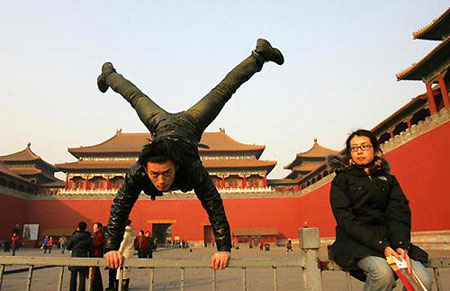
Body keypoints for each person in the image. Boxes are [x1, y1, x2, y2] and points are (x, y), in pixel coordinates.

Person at [98, 38, 284, 271]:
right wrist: (111, 248)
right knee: (134, 97)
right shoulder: (138, 172)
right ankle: (109, 73)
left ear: (176, 166)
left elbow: (212, 203)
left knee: (224, 90)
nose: (161, 180)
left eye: (166, 173)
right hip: (162, 124)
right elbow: (121, 206)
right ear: (145, 169)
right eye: (155, 175)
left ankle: (259, 55)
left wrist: (223, 248)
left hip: (188, 125)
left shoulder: (191, 169)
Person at [328, 129, 432, 290]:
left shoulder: (389, 180)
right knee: (383, 274)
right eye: (354, 148)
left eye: (364, 146)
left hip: (390, 241)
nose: (359, 151)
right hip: (356, 242)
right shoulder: (342, 180)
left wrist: (400, 246)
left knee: (422, 280)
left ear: (375, 150)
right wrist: (382, 246)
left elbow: (399, 214)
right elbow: (346, 220)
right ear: (349, 154)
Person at [67, 221, 93, 291]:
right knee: (82, 278)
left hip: (74, 258)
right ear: (85, 228)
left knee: (73, 277)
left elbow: (68, 247)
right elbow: (91, 250)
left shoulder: (74, 236)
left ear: (78, 227)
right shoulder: (88, 237)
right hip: (84, 258)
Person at [115, 220, 136, 291]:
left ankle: (120, 285)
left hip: (124, 252)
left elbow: (123, 243)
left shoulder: (126, 232)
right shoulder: (132, 232)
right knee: (128, 270)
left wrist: (119, 252)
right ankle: (126, 285)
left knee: (120, 270)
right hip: (130, 252)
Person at [91, 222, 104, 291]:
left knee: (95, 272)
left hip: (96, 254)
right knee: (96, 272)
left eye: (94, 227)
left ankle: (96, 287)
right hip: (96, 254)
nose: (93, 228)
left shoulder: (100, 235)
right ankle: (97, 287)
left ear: (98, 228)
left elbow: (99, 243)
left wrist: (91, 243)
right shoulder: (97, 234)